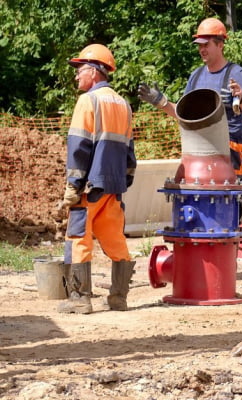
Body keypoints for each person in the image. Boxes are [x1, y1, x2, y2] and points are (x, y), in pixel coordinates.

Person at [58, 44, 137, 314]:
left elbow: (79, 146)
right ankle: (119, 298)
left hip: (89, 186)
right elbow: (129, 151)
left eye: (80, 71)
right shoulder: (123, 104)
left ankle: (79, 300)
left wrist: (73, 185)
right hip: (112, 188)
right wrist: (123, 182)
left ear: (94, 71)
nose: (77, 76)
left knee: (78, 238)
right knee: (115, 239)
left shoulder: (88, 101)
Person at [138, 17, 242, 177]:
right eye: (200, 45)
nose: (202, 49)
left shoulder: (236, 74)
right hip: (199, 156)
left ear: (220, 44)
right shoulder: (196, 76)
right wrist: (162, 102)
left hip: (228, 159)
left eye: (206, 44)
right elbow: (184, 115)